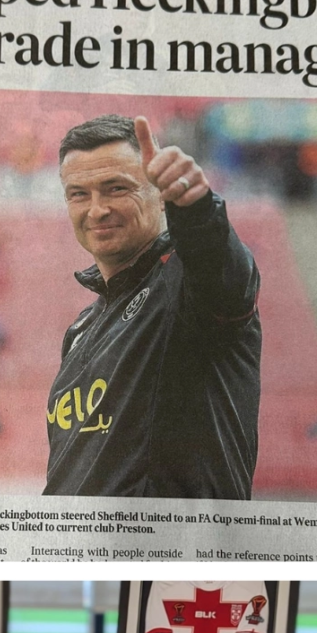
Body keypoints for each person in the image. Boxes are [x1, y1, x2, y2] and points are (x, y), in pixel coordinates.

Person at [45, 113, 262, 499]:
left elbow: (219, 268)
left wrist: (195, 210)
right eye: (79, 193)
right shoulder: (80, 331)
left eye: (116, 188)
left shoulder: (186, 282)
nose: (96, 210)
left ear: (160, 195)